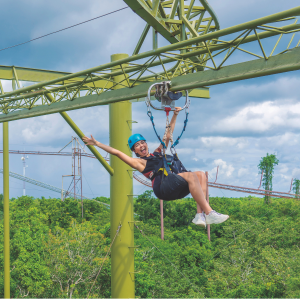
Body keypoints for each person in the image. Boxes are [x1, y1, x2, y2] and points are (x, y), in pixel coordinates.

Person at [82, 108, 229, 228]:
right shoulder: (139, 162)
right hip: (163, 188)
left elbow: (168, 134)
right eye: (137, 146)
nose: (141, 146)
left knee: (201, 175)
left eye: (142, 143)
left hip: (173, 186)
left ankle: (200, 215)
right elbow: (117, 153)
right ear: (135, 151)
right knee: (191, 175)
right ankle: (209, 212)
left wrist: (175, 114)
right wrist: (98, 144)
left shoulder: (157, 153)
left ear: (146, 144)